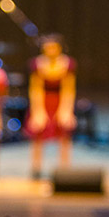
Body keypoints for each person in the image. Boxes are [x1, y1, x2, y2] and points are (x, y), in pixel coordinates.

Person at [27, 34, 76, 179]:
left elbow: (69, 89)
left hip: (60, 100)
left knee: (64, 134)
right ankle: (36, 168)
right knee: (37, 134)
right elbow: (35, 89)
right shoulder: (38, 63)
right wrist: (38, 111)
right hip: (42, 101)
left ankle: (64, 168)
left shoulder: (67, 64)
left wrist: (66, 110)